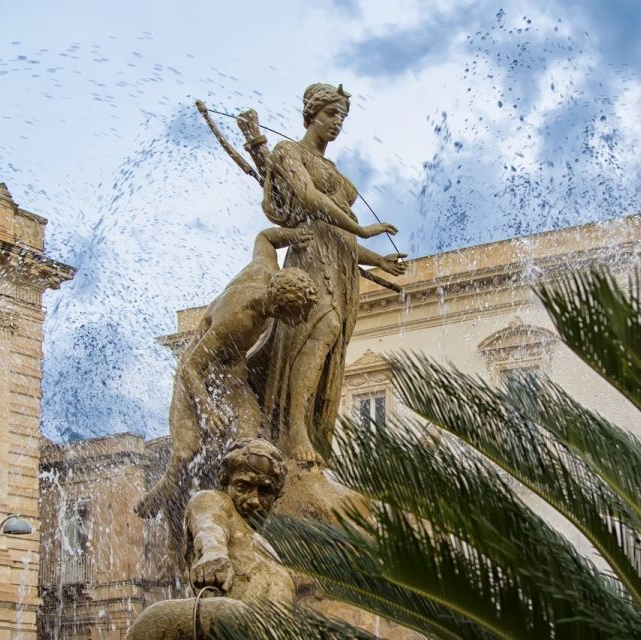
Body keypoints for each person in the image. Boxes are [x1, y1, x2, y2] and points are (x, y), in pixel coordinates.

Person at [253, 82, 407, 463]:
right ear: (311, 114)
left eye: (342, 117)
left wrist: (375, 258)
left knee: (331, 346)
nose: (337, 123)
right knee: (320, 329)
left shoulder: (333, 169)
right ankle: (294, 433)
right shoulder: (289, 151)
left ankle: (311, 432)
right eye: (331, 114)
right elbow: (308, 198)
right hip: (309, 255)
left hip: (341, 265)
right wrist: (362, 228)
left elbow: (339, 236)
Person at [135, 226, 317, 524]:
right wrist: (208, 408)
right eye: (295, 316)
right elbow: (190, 367)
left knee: (249, 437)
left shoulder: (265, 269)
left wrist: (295, 235)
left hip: (232, 373)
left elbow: (265, 238)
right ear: (280, 306)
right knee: (186, 450)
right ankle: (163, 489)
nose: (298, 322)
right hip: (197, 375)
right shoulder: (236, 320)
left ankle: (241, 509)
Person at [126, 439, 294, 640]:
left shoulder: (266, 547)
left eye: (265, 491)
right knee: (230, 613)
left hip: (266, 630)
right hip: (231, 621)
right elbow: (209, 526)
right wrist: (214, 554)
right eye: (243, 486)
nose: (254, 500)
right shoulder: (215, 500)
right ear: (226, 483)